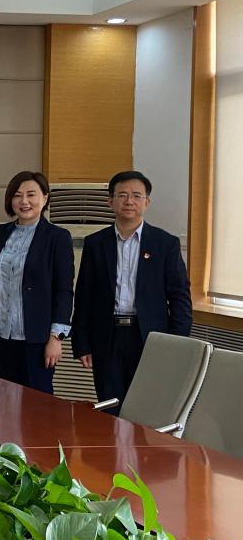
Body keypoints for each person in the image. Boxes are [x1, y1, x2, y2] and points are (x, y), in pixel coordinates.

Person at [72, 171, 192, 411]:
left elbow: (180, 297)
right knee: (110, 407)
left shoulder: (164, 243)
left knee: (148, 407)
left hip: (150, 337)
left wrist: (176, 344)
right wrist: (82, 343)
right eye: (122, 195)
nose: (129, 201)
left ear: (147, 202)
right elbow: (84, 295)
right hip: (107, 336)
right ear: (110, 201)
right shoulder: (96, 243)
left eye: (137, 196)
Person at [0, 171, 73, 395]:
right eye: (17, 195)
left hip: (38, 338)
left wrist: (56, 338)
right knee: (4, 398)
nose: (24, 201)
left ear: (45, 198)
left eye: (31, 195)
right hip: (2, 335)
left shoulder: (57, 237)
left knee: (38, 401)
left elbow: (64, 290)